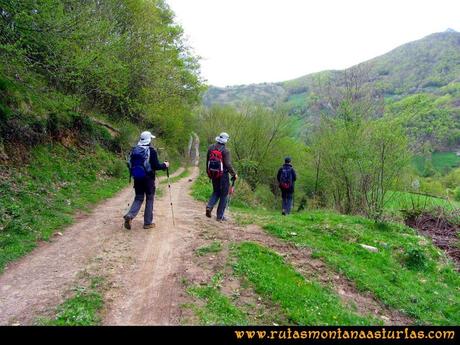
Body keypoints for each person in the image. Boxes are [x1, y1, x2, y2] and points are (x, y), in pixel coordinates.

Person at [123, 131, 169, 230]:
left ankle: (130, 215)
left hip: (137, 176)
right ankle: (147, 223)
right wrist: (165, 165)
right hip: (148, 179)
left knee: (138, 198)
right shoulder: (151, 151)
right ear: (149, 139)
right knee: (149, 198)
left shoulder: (135, 149)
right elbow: (156, 166)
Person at [206, 132, 237, 221]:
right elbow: (228, 164)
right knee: (224, 195)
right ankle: (220, 216)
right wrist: (234, 174)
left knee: (216, 191)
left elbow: (207, 161)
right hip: (223, 176)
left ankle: (209, 206)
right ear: (225, 140)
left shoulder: (211, 147)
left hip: (213, 174)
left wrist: (208, 173)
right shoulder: (226, 151)